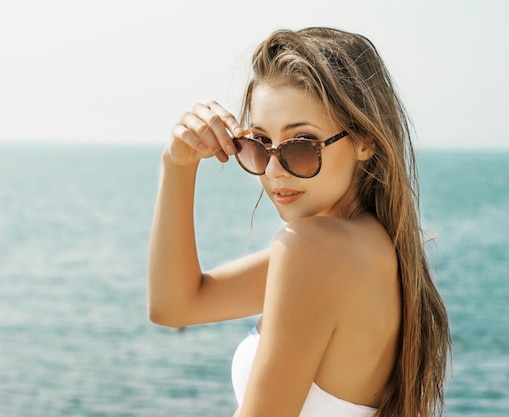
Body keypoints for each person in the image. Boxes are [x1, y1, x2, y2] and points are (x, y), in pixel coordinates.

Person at [148, 27, 450, 417]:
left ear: (365, 141)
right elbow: (176, 306)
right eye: (257, 143)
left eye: (301, 145)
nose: (273, 169)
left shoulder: (313, 248)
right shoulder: (373, 249)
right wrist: (177, 165)